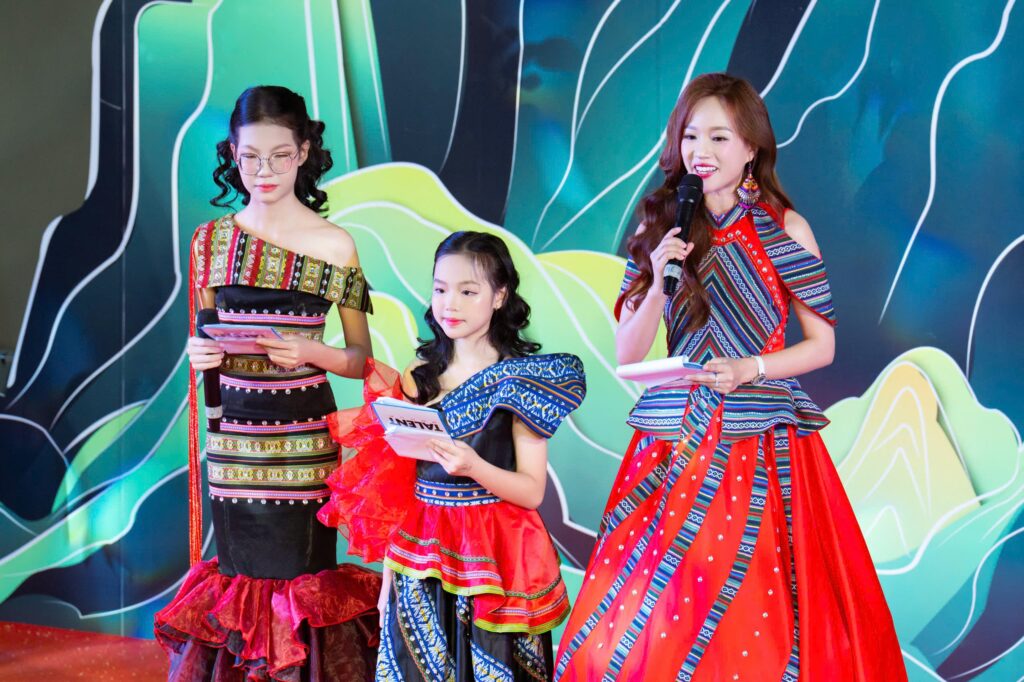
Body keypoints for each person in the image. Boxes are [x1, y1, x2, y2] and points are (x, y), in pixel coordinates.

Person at [554, 73, 906, 681]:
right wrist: (658, 279)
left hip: (759, 435)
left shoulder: (784, 228)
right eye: (691, 135)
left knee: (754, 603)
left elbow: (822, 346)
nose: (701, 151)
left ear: (751, 148)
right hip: (673, 440)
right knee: (657, 602)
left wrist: (752, 367)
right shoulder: (659, 224)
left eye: (719, 137)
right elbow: (627, 352)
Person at [154, 85, 380, 681]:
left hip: (305, 444)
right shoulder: (210, 240)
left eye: (281, 156)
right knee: (240, 580)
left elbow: (360, 359)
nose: (264, 171)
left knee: (301, 581)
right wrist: (199, 353)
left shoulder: (335, 244)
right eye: (250, 157)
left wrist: (309, 350)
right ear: (233, 153)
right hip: (232, 444)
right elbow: (205, 338)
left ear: (304, 152)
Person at [318, 231, 586, 680]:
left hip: (496, 557)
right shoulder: (417, 375)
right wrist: (387, 581)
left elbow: (531, 491)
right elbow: (397, 488)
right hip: (421, 554)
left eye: (468, 291)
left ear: (499, 296)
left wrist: (474, 467)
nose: (450, 305)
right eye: (441, 289)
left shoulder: (522, 380)